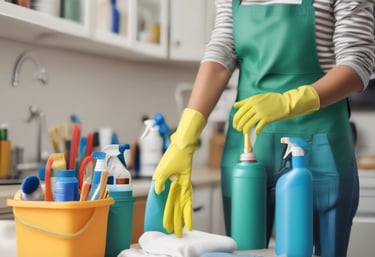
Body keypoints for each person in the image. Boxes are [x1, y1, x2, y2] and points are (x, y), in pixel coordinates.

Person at [152, 1, 375, 257]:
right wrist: (184, 139)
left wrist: (290, 101)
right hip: (249, 144)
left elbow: (358, 63)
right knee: (245, 251)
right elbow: (220, 53)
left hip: (321, 143)